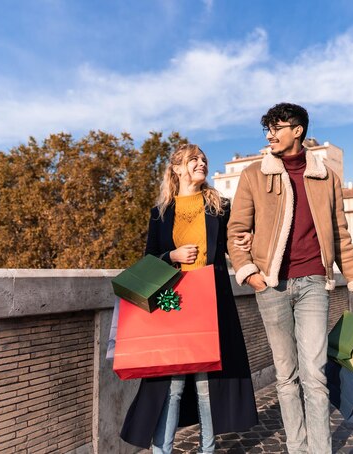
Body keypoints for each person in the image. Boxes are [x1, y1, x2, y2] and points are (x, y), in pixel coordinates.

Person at [227, 103, 353, 453]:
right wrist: (251, 275)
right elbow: (237, 232)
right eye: (267, 129)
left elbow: (340, 234)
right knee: (286, 376)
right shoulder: (253, 174)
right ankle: (297, 446)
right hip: (271, 285)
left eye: (276, 127)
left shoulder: (327, 177)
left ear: (297, 130)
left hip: (313, 283)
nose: (269, 135)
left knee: (316, 374)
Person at [120, 144, 258, 453]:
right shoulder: (160, 213)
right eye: (193, 159)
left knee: (207, 386)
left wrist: (248, 239)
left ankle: (207, 450)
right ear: (177, 169)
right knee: (173, 386)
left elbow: (235, 245)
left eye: (203, 159)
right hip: (173, 306)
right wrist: (173, 254)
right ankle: (162, 450)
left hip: (212, 303)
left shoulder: (220, 207)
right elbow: (149, 260)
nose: (201, 163)